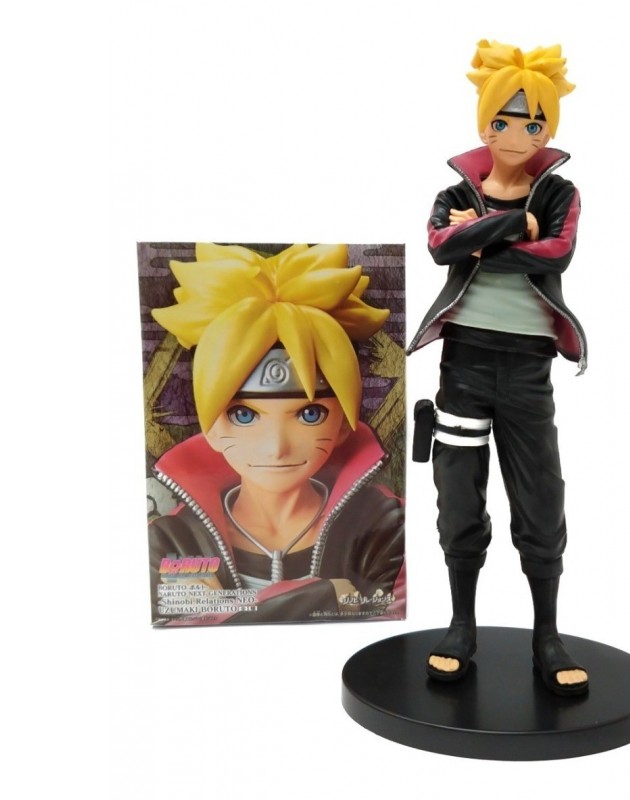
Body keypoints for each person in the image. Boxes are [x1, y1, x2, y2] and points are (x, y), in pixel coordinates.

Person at [407, 40, 588, 694]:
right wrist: (517, 226)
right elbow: (440, 247)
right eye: (505, 120)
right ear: (484, 122)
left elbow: (557, 254)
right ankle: (462, 624)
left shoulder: (561, 193)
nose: (518, 134)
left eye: (534, 122)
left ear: (548, 128)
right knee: (458, 493)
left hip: (528, 370)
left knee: (541, 497)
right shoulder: (452, 192)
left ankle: (547, 635)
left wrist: (482, 235)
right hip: (463, 366)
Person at [149, 243, 405, 625]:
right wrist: (330, 593)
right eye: (243, 415)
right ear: (210, 427)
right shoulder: (171, 540)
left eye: (310, 414)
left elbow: (390, 615)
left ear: (342, 424)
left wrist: (227, 607)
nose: (276, 447)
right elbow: (169, 629)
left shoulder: (384, 523)